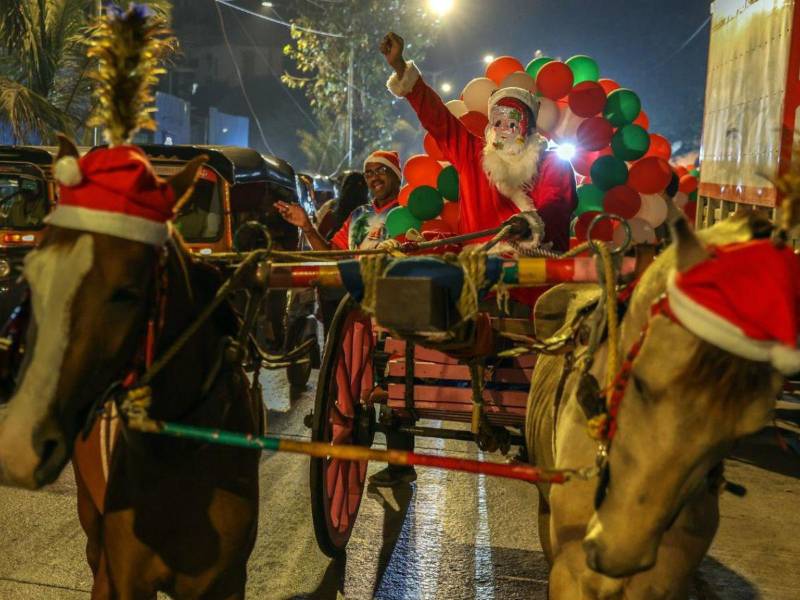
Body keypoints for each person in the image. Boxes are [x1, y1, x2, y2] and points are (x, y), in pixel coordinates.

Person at [380, 32, 577, 253]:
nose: (505, 129)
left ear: (529, 125)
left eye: (513, 120)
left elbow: (555, 206)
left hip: (531, 271)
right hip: (476, 272)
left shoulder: (551, 164)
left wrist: (529, 224)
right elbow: (438, 120)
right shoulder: (473, 155)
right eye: (498, 120)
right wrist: (399, 66)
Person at [275, 150, 403, 251]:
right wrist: (306, 226)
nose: (375, 177)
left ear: (397, 176)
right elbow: (333, 255)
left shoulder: (410, 211)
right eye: (369, 173)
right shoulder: (358, 215)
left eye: (381, 170)